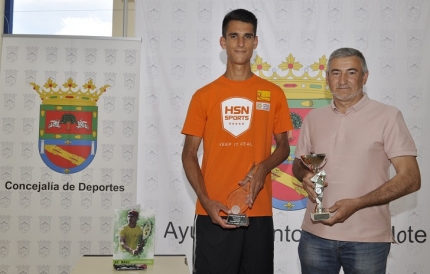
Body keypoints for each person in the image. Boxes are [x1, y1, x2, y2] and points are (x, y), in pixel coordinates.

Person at [181, 8, 293, 274]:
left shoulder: (273, 94)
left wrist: (264, 166)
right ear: (223, 42)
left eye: (247, 36)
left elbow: (284, 146)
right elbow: (189, 154)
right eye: (234, 36)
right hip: (214, 212)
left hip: (259, 211)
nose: (241, 43)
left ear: (255, 42)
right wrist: (206, 201)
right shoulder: (203, 96)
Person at [292, 47, 421, 274]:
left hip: (368, 240)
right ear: (327, 78)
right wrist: (305, 176)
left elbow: (411, 178)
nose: (342, 80)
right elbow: (299, 164)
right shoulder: (313, 118)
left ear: (365, 77)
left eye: (351, 72)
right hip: (315, 236)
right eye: (335, 73)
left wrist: (357, 203)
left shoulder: (388, 116)